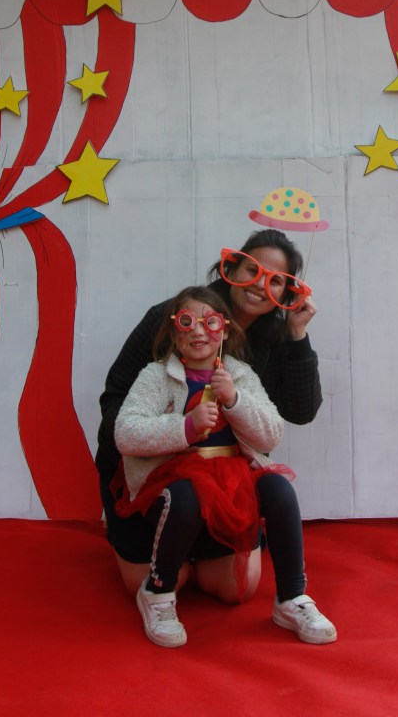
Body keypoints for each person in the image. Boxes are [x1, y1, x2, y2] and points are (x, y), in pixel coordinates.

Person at [96, 228, 322, 599]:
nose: (259, 284)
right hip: (153, 472)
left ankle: (220, 550)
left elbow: (300, 412)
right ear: (229, 268)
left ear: (287, 294)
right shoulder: (174, 317)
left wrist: (297, 333)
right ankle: (145, 532)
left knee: (236, 588)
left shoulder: (265, 348)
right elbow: (115, 400)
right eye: (251, 270)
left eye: (275, 280)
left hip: (227, 477)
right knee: (155, 580)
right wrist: (166, 446)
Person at [114, 285, 336, 648]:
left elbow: (271, 434)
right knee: (186, 496)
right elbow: (126, 433)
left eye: (211, 322)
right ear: (174, 331)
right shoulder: (157, 375)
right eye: (187, 322)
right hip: (173, 479)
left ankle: (292, 596)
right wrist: (185, 426)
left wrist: (235, 400)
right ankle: (157, 590)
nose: (199, 331)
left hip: (231, 479)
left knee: (278, 489)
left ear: (226, 330)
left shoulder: (240, 374)